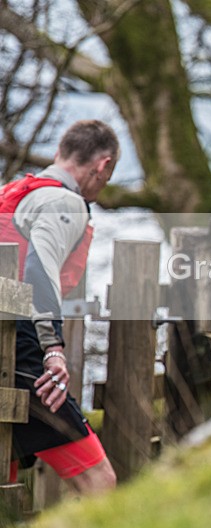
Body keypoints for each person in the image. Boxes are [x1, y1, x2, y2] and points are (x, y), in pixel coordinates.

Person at [1, 119, 118, 494]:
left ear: (58, 154)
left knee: (7, 475)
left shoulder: (13, 193)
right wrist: (52, 348)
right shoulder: (64, 202)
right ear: (103, 166)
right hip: (19, 348)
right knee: (99, 480)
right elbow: (38, 268)